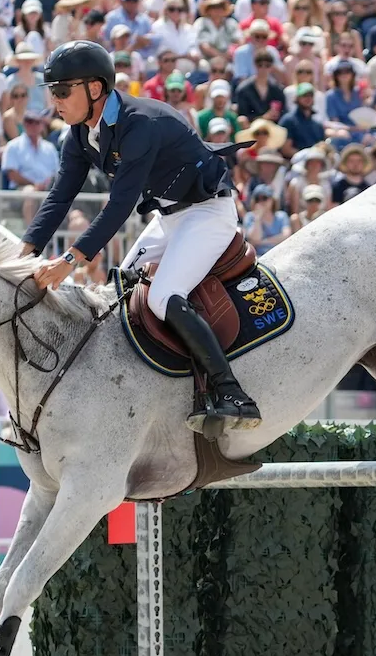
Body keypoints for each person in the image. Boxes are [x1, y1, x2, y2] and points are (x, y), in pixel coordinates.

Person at [20, 41, 258, 431]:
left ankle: (230, 391)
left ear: (94, 89)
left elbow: (119, 206)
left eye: (62, 91)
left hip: (209, 214)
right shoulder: (79, 135)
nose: (55, 101)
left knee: (163, 297)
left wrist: (69, 261)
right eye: (52, 92)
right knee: (120, 295)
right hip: (170, 217)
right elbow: (61, 195)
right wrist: (23, 252)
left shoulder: (138, 125)